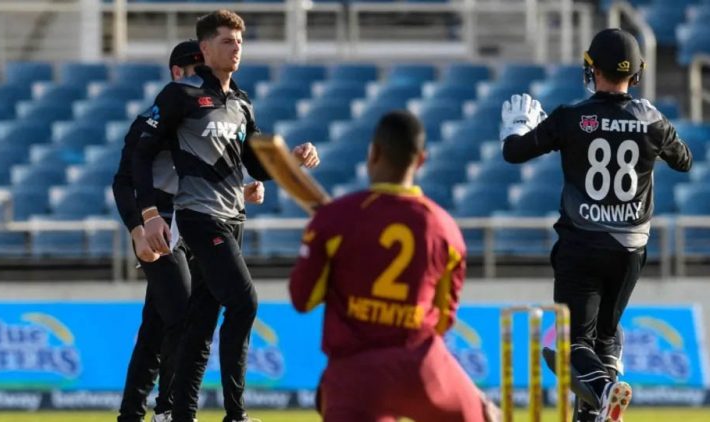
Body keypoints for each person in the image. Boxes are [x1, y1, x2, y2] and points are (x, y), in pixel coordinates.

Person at [132, 10, 319, 422]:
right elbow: (142, 154)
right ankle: (236, 414)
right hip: (199, 217)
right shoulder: (180, 96)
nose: (236, 49)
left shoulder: (241, 102)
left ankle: (182, 413)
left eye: (239, 42)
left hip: (234, 218)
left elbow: (254, 165)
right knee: (244, 302)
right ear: (205, 48)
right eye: (226, 41)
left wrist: (292, 160)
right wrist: (149, 215)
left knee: (201, 320)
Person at [500, 28, 692, 422]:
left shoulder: (572, 118)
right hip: (629, 252)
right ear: (636, 75)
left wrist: (516, 128)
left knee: (572, 345)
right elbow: (684, 160)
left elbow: (515, 154)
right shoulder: (650, 118)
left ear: (592, 68)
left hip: (581, 246)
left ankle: (604, 390)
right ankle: (595, 409)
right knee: (606, 336)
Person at [289, 111, 496, 422]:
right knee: (488, 414)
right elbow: (442, 322)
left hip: (355, 374)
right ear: (422, 160)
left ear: (372, 153)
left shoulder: (334, 219)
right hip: (422, 368)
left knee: (335, 395)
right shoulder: (446, 229)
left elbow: (302, 299)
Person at [113, 40, 265, 422]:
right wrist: (136, 228)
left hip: (194, 220)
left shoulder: (205, 117)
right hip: (161, 225)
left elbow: (206, 176)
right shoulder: (160, 116)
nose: (203, 77)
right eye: (195, 69)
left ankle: (132, 413)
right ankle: (167, 409)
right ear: (176, 73)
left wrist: (242, 189)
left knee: (157, 322)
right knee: (181, 313)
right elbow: (123, 180)